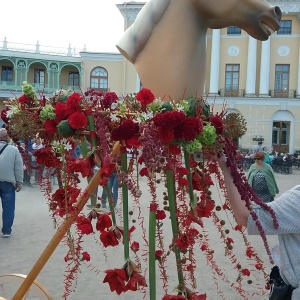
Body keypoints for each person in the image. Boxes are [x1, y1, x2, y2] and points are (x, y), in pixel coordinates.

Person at [218, 153, 300, 299]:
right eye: (255, 159)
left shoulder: (296, 200)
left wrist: (227, 169)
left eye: (258, 159)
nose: (256, 161)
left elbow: (246, 216)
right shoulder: (252, 168)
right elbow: (249, 181)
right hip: (259, 198)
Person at [0, 128, 23, 237]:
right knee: (8, 207)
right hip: (7, 183)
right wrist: (19, 182)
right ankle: (6, 231)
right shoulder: (13, 149)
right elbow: (18, 167)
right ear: (5, 137)